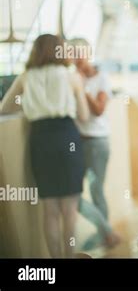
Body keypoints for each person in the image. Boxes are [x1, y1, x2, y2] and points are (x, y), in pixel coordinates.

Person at [0, 34, 90, 258]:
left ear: (36, 51)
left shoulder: (26, 77)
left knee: (49, 209)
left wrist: (32, 107)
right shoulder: (71, 77)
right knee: (69, 211)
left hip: (41, 140)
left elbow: (5, 107)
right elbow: (84, 115)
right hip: (67, 137)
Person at [69, 38, 120, 249]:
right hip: (77, 143)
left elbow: (99, 110)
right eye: (72, 53)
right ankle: (108, 232)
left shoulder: (102, 78)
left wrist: (83, 89)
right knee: (73, 195)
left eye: (79, 52)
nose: (77, 57)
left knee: (97, 190)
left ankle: (105, 237)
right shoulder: (70, 79)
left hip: (98, 143)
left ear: (87, 53)